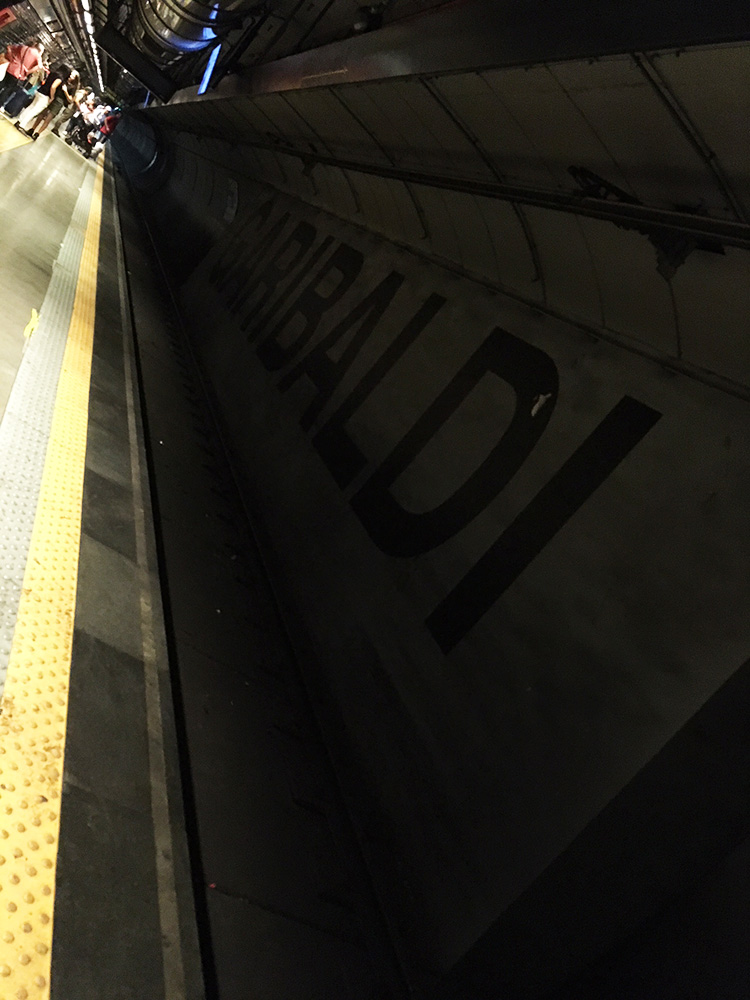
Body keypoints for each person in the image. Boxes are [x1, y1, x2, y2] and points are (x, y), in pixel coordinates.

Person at [17, 62, 69, 133]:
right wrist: (52, 97)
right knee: (34, 111)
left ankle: (19, 121)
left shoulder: (53, 73)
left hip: (40, 91)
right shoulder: (60, 78)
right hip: (45, 96)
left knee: (31, 107)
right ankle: (22, 125)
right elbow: (53, 87)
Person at [28, 67, 77, 140]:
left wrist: (65, 91)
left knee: (48, 119)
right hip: (52, 97)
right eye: (71, 74)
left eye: (73, 76)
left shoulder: (73, 87)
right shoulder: (63, 80)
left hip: (59, 102)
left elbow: (70, 100)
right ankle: (32, 129)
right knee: (41, 114)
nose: (71, 76)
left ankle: (37, 133)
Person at [0, 37, 44, 112]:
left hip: (10, 67)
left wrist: (11, 58)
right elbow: (39, 66)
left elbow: (9, 47)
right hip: (19, 74)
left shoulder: (23, 47)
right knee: (8, 89)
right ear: (40, 51)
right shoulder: (37, 55)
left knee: (2, 83)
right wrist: (28, 71)